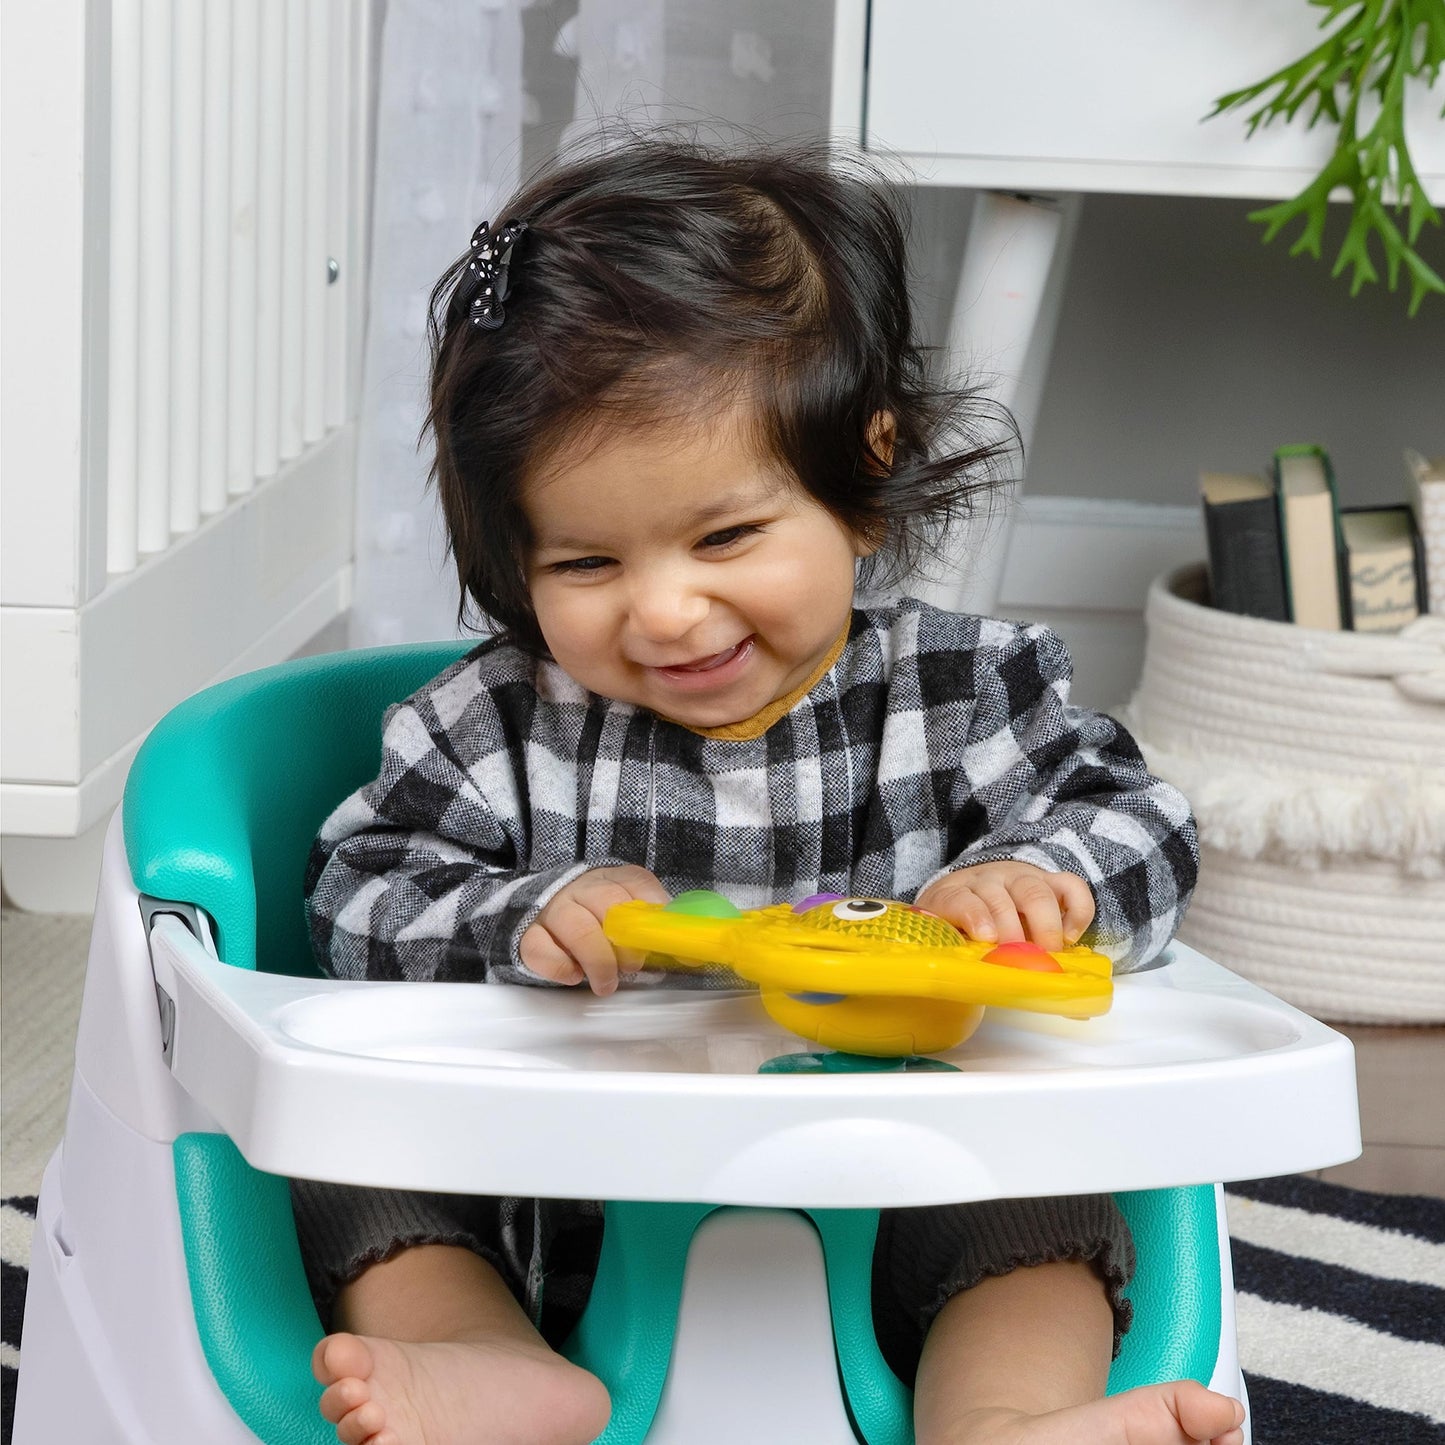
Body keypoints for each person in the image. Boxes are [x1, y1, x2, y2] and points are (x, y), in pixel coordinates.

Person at [292, 134, 1245, 1445]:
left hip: (912, 1192)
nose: (668, 609)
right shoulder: (492, 723)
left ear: (860, 479)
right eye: (585, 561)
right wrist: (521, 913)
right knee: (345, 1168)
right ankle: (486, 1358)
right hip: (556, 1206)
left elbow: (1144, 820)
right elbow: (351, 895)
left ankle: (1006, 1416)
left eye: (726, 535)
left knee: (1050, 1207)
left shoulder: (963, 694)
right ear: (517, 559)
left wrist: (1042, 883)